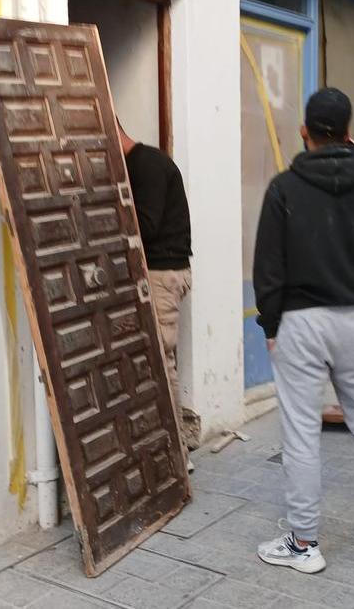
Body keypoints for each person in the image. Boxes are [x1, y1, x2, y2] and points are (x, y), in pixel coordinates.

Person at [252, 88, 354, 574]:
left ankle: (305, 544)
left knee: (302, 434)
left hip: (301, 322)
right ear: (349, 134)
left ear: (304, 132)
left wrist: (270, 324)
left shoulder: (284, 188)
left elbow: (268, 266)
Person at [117, 120, 194, 471]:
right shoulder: (142, 164)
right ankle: (164, 448)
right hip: (162, 273)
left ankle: (177, 455)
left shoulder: (146, 165)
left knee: (162, 363)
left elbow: (145, 226)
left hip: (163, 274)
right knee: (157, 361)